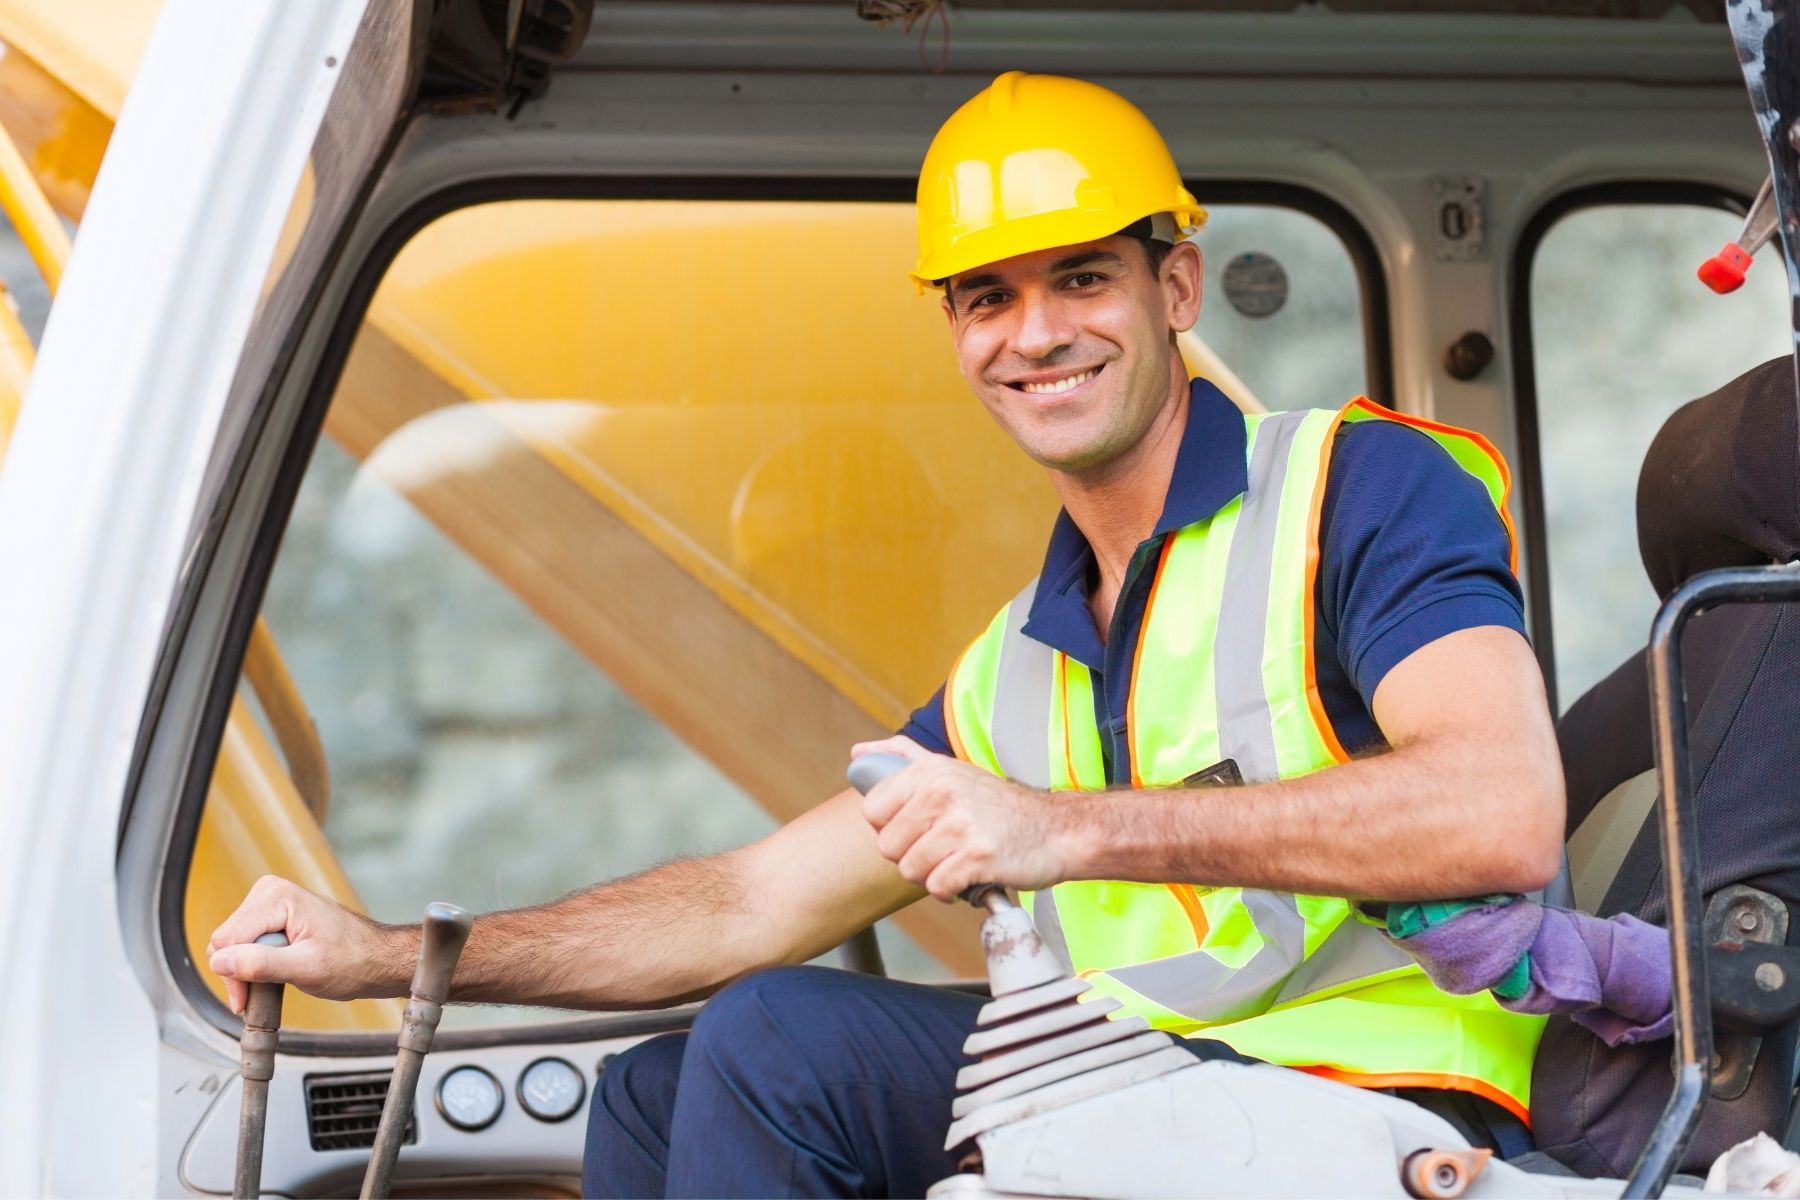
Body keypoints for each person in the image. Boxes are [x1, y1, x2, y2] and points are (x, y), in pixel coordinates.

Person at [206, 70, 1566, 1198]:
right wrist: (383, 956)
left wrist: (1066, 829)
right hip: (1146, 1098)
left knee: (781, 1042)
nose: (1036, 335)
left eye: (1082, 278)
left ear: (1177, 288)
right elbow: (747, 903)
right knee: (653, 1090)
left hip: (1370, 1103)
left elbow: (1500, 807)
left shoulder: (1356, 487)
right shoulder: (1018, 668)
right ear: (955, 331)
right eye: (988, 298)